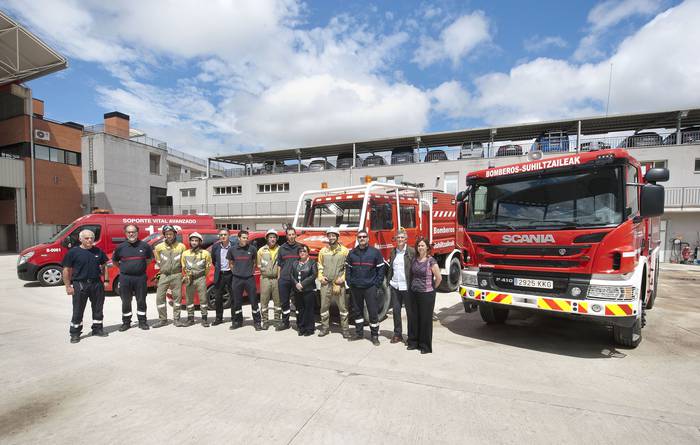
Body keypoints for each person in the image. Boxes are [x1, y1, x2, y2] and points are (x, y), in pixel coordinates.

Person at [62, 229, 108, 343]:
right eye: (86, 238)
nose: (89, 240)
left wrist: (106, 280)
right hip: (80, 284)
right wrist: (68, 286)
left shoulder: (98, 251)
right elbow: (66, 270)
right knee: (78, 310)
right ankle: (75, 333)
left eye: (91, 238)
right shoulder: (73, 252)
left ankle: (97, 329)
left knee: (98, 308)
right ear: (80, 239)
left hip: (96, 283)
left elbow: (105, 266)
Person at [345, 229, 385, 345]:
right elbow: (348, 269)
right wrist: (349, 282)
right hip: (356, 287)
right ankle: (359, 333)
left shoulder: (375, 252)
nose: (362, 238)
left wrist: (377, 284)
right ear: (357, 239)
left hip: (370, 287)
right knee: (357, 312)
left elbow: (381, 269)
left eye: (364, 237)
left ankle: (374, 336)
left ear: (368, 238)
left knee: (373, 312)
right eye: (360, 237)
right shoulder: (352, 253)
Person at [112, 224, 153, 331]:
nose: (131, 234)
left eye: (133, 231)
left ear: (137, 233)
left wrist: (138, 267)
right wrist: (126, 268)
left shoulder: (145, 246)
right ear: (125, 233)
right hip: (125, 278)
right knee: (126, 301)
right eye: (129, 232)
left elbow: (148, 260)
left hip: (140, 278)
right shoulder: (120, 247)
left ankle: (142, 322)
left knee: (141, 300)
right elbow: (115, 261)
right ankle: (126, 322)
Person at [407, 238, 442, 354]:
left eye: (422, 245)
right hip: (414, 292)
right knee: (414, 318)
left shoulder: (431, 261)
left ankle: (425, 346)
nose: (420, 247)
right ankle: (413, 342)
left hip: (427, 294)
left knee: (425, 320)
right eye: (418, 246)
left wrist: (431, 289)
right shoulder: (414, 259)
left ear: (427, 247)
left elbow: (439, 278)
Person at [317, 227, 350, 338]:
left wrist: (343, 278)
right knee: (324, 307)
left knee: (343, 308)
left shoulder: (345, 251)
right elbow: (320, 265)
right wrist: (320, 277)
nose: (331, 237)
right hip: (326, 283)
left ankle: (345, 329)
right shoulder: (323, 251)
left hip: (339, 283)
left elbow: (347, 267)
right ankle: (325, 328)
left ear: (337, 237)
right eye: (329, 235)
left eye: (333, 235)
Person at [227, 230, 261, 330]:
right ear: (239, 238)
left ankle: (257, 322)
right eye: (243, 237)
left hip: (249, 278)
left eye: (247, 237)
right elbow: (230, 263)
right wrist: (236, 272)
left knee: (254, 301)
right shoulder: (232, 249)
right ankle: (237, 322)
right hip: (237, 279)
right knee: (237, 302)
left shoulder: (253, 249)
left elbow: (255, 263)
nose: (245, 239)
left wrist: (249, 271)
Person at [153, 225, 186, 328]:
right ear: (164, 235)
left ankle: (177, 319)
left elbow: (184, 262)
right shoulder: (159, 247)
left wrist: (184, 275)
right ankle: (163, 319)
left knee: (177, 298)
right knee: (159, 297)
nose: (169, 236)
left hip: (177, 274)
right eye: (167, 234)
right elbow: (158, 260)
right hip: (164, 275)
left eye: (171, 234)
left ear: (175, 234)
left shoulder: (181, 246)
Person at [386, 228, 415, 344]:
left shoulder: (411, 251)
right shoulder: (393, 252)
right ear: (395, 239)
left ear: (406, 239)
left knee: (410, 312)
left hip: (407, 286)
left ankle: (411, 336)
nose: (400, 239)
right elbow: (391, 268)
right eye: (398, 237)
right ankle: (397, 334)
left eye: (402, 237)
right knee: (396, 311)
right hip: (395, 286)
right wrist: (389, 281)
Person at [180, 232, 212, 327]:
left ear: (200, 242)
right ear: (190, 241)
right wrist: (187, 276)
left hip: (201, 278)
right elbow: (183, 266)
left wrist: (202, 276)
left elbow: (208, 267)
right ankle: (190, 319)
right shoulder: (185, 253)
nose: (194, 242)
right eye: (192, 240)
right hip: (189, 279)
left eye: (196, 241)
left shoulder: (205, 253)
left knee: (203, 299)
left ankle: (204, 319)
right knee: (189, 300)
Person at [275, 227, 299, 331]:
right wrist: (279, 278)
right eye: (289, 234)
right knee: (284, 302)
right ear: (286, 236)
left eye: (293, 234)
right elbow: (279, 265)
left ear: (295, 235)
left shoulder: (300, 247)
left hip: (296, 279)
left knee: (298, 302)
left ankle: (299, 323)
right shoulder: (282, 248)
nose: (291, 236)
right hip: (284, 279)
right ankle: (285, 322)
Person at [291, 244, 318, 336]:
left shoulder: (312, 262)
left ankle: (309, 329)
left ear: (308, 253)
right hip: (297, 290)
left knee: (308, 310)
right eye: (300, 251)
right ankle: (301, 327)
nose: (302, 253)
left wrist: (302, 284)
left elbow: (314, 275)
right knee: (300, 309)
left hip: (308, 290)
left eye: (304, 251)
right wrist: (296, 284)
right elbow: (291, 275)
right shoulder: (295, 263)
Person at [257, 229, 281, 329]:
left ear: (276, 239)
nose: (272, 239)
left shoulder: (280, 249)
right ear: (267, 238)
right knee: (264, 301)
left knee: (277, 301)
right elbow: (258, 265)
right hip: (265, 278)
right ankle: (265, 321)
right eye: (270, 237)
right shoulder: (261, 250)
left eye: (274, 237)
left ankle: (277, 321)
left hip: (276, 279)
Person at [211, 228, 234, 326]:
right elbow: (214, 260)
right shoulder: (216, 247)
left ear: (229, 235)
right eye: (221, 235)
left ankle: (235, 317)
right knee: (218, 298)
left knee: (234, 297)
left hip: (231, 274)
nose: (223, 236)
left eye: (225, 234)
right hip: (220, 274)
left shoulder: (234, 246)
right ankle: (218, 318)